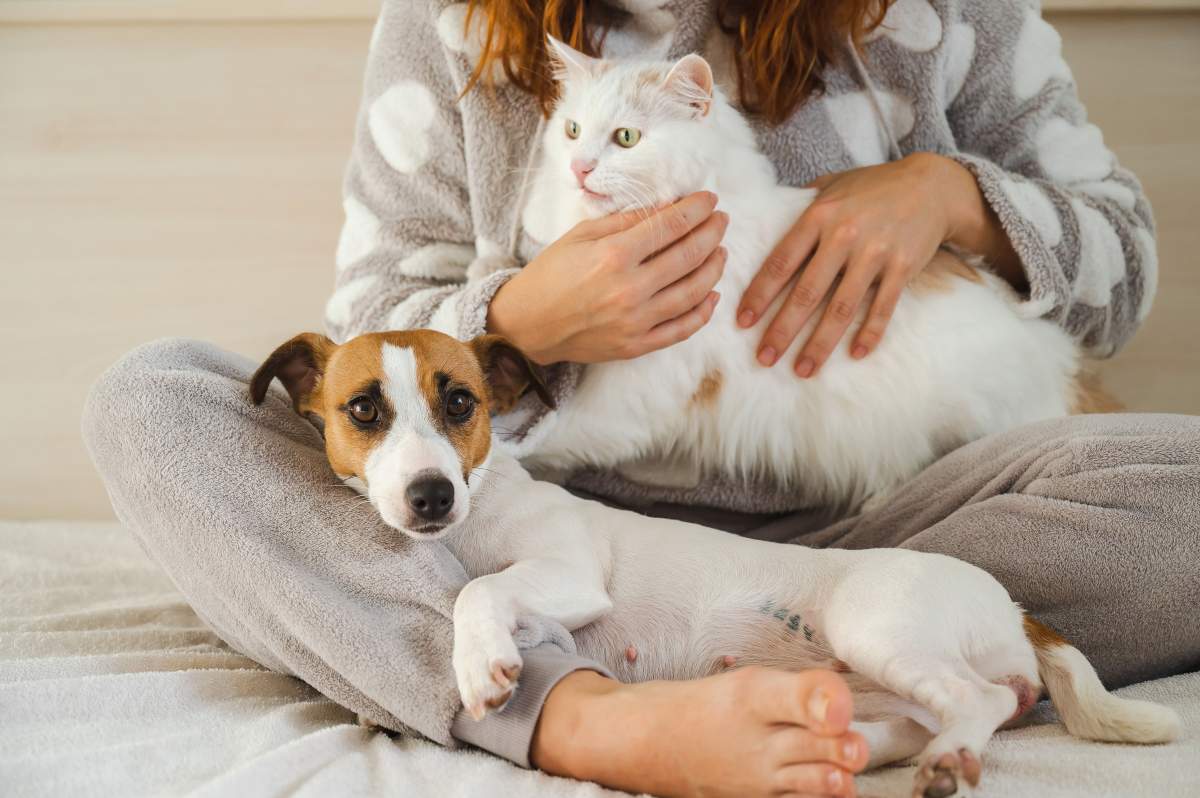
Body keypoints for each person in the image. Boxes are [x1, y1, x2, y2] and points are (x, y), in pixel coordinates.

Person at [83, 1, 1200, 796]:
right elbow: (373, 333)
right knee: (158, 407)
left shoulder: (938, 15)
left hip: (889, 536)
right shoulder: (451, 24)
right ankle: (585, 720)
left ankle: (868, 669)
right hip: (517, 536)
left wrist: (951, 196)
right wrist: (516, 321)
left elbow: (1126, 265)